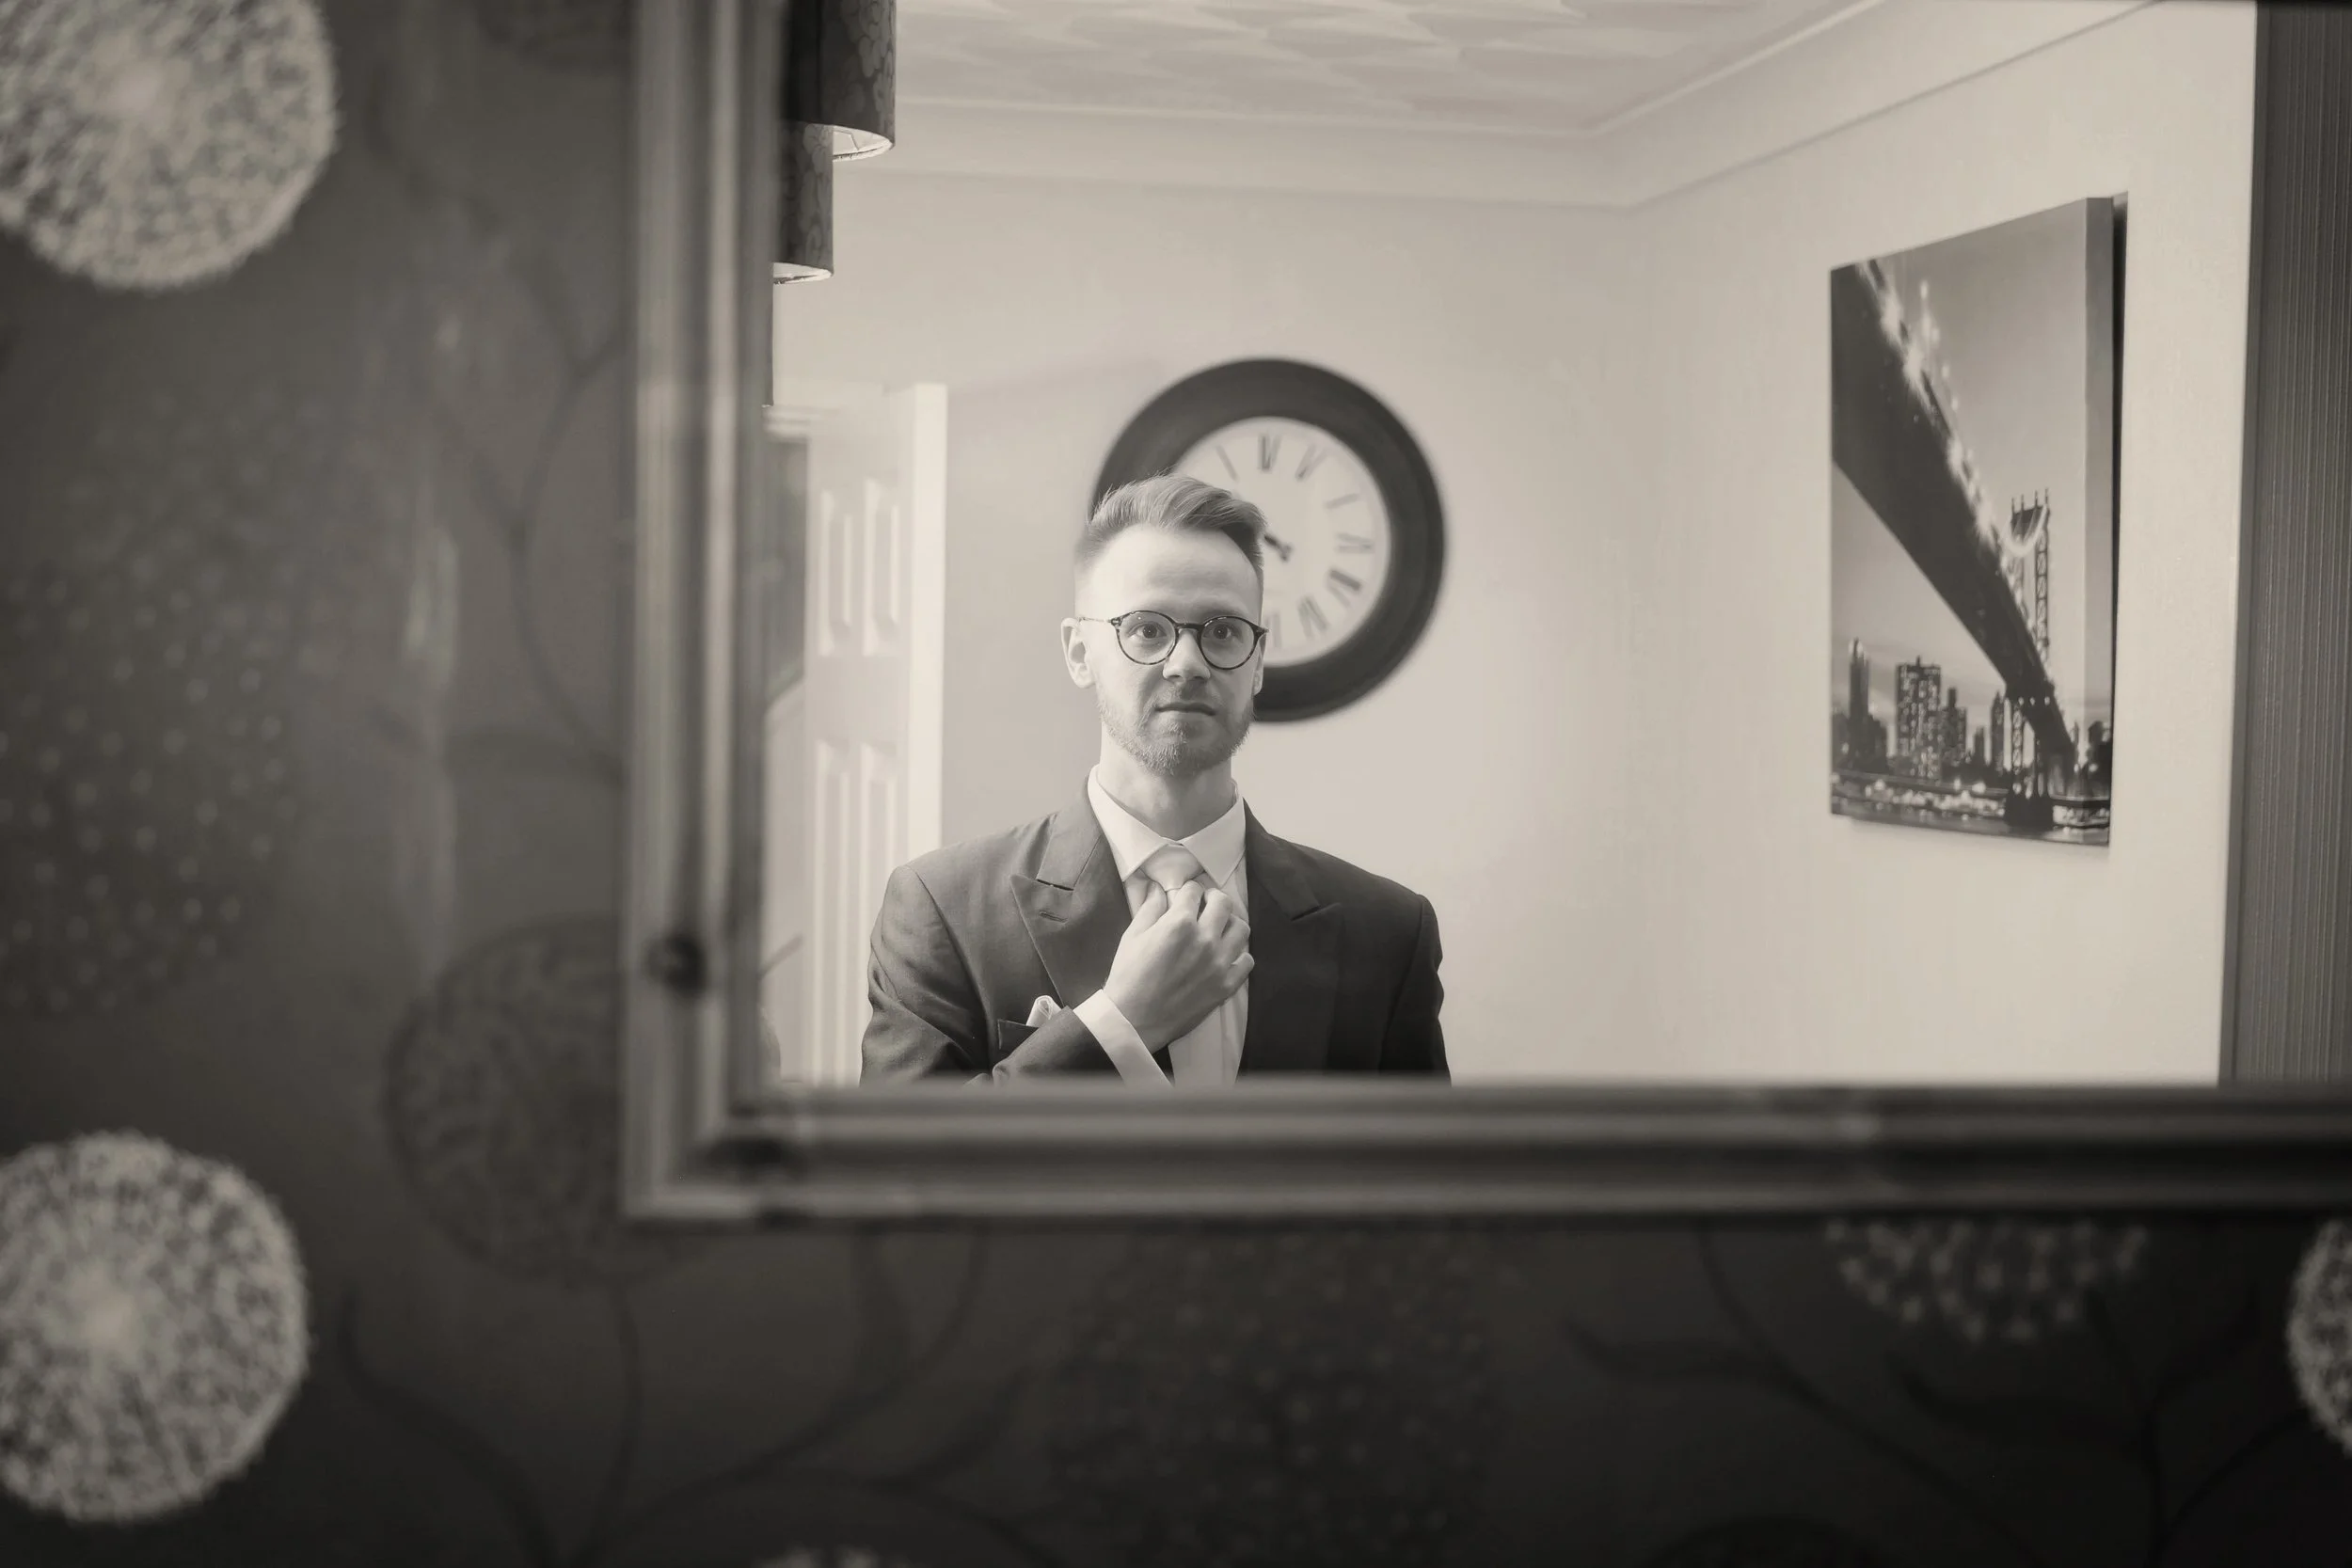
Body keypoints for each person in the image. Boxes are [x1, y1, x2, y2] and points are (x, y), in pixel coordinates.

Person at [858, 473, 1448, 1085]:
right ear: (1079, 651)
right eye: (1146, 628)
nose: (1187, 663)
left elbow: (1423, 1177)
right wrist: (1117, 1024)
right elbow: (890, 1172)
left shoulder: (1388, 932)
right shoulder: (942, 910)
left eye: (1223, 631)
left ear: (1259, 662)